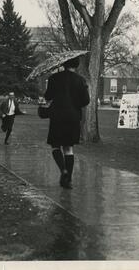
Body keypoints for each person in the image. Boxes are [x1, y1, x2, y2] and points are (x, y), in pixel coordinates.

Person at [44, 57, 90, 189]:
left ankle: (63, 169)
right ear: (76, 65)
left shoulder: (54, 78)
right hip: (73, 117)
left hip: (57, 116)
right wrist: (75, 104)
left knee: (55, 146)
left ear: (64, 64)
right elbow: (86, 101)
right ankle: (68, 179)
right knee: (69, 148)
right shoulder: (81, 80)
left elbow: (48, 96)